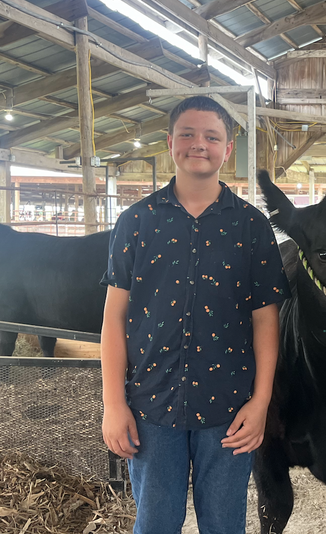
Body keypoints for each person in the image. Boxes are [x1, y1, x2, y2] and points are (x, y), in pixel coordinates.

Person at [100, 96, 289, 534]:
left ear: (227, 149)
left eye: (211, 136)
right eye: (187, 134)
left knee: (224, 525)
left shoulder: (251, 226)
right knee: (154, 523)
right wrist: (113, 403)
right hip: (150, 406)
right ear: (170, 143)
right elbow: (114, 319)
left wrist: (261, 402)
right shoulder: (137, 221)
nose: (198, 144)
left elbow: (266, 320)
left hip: (229, 411)